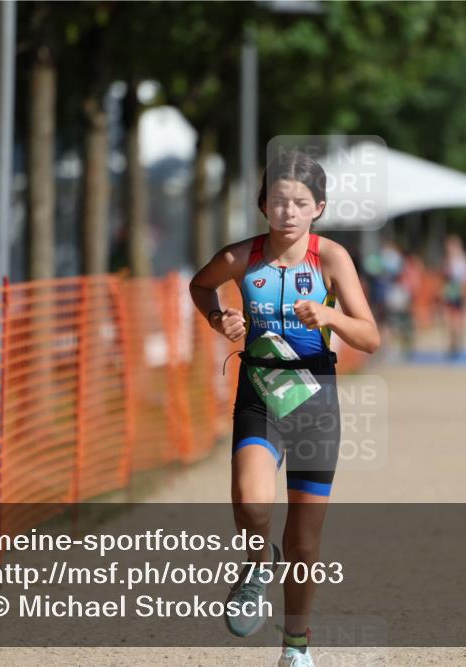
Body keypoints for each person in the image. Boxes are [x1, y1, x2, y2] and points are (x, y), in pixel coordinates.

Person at [188, 150, 380, 667]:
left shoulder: (332, 259)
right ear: (263, 205)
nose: (288, 212)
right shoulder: (241, 258)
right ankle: (256, 563)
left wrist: (328, 316)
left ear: (318, 207)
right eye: (278, 201)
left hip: (315, 401)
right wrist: (218, 317)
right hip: (260, 392)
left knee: (304, 539)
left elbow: (372, 337)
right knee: (251, 502)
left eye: (299, 203)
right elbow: (201, 285)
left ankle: (296, 649)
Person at [441, 234, 466, 358]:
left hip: (458, 293)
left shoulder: (462, 260)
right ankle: (452, 345)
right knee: (448, 321)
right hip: (449, 293)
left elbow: (463, 278)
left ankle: (457, 345)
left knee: (457, 321)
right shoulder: (448, 260)